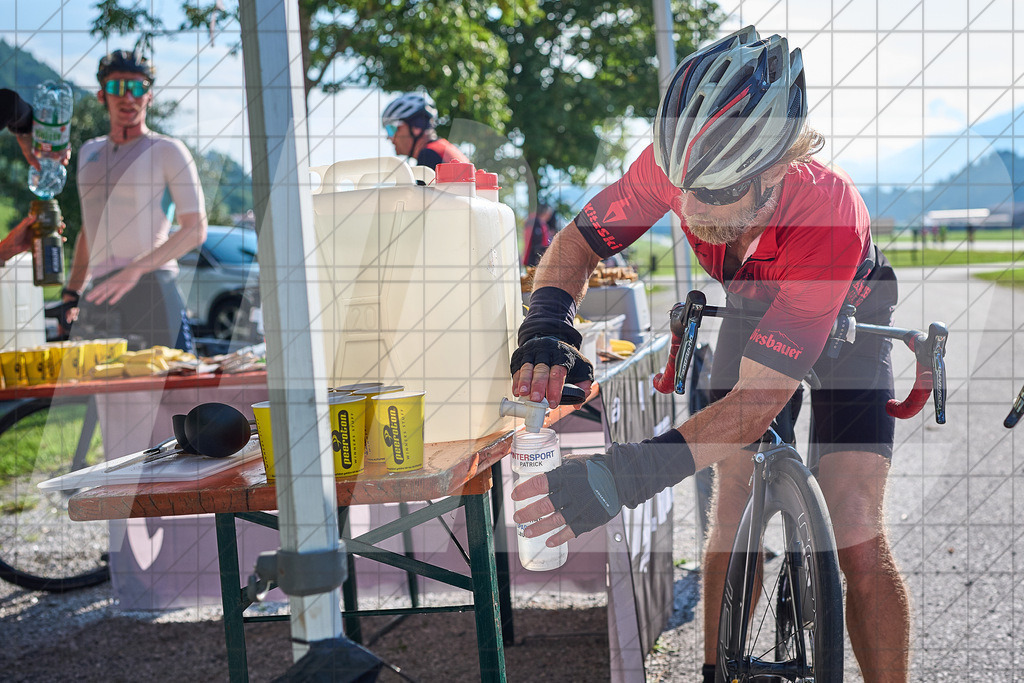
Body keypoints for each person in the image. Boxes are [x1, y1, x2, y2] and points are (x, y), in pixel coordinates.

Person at [510, 26, 907, 683]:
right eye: (681, 189)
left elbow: (752, 407)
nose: (691, 211)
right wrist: (549, 320)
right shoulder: (679, 168)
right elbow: (579, 242)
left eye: (717, 193)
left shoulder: (826, 213)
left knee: (857, 533)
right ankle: (715, 672)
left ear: (776, 167)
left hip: (850, 314)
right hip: (755, 303)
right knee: (732, 509)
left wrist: (619, 477)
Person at [62, 49, 207, 352]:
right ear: (103, 95)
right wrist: (72, 292)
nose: (128, 97)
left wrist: (134, 270)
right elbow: (90, 231)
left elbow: (195, 229)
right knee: (99, 397)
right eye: (117, 87)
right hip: (101, 290)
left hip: (153, 287)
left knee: (171, 395)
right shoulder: (88, 152)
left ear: (149, 96)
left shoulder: (168, 150)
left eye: (138, 88)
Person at [381, 91, 469, 170]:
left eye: (391, 129)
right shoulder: (441, 149)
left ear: (416, 127)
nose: (389, 137)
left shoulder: (429, 156)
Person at [522, 202, 559, 267]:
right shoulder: (536, 223)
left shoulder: (541, 224)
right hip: (533, 260)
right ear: (546, 213)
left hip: (536, 259)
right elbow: (536, 245)